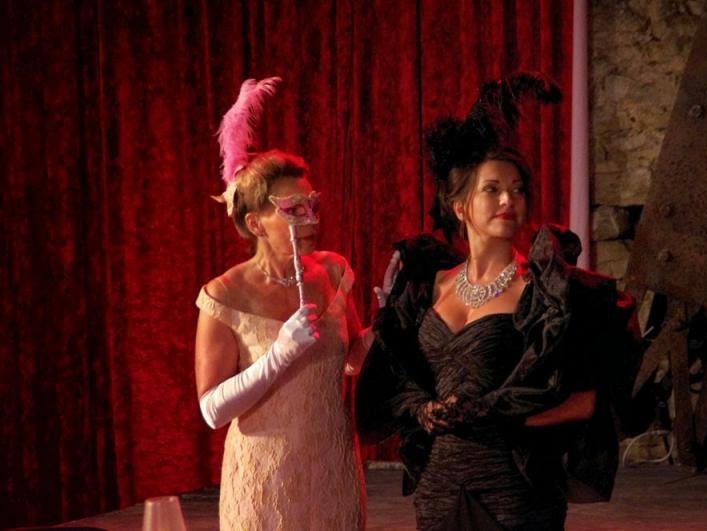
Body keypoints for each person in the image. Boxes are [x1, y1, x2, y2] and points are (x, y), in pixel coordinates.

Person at [356, 73, 638, 531]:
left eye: (518, 189)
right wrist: (423, 410)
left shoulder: (547, 293)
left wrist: (493, 415)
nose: (509, 199)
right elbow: (397, 381)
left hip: (516, 490)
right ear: (459, 205)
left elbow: (585, 402)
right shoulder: (427, 287)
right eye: (492, 189)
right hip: (439, 489)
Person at [194, 78, 372, 530]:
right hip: (265, 482)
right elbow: (212, 410)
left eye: (312, 205)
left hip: (332, 474)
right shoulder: (224, 294)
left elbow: (351, 360)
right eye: (294, 210)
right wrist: (277, 356)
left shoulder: (332, 271)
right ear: (256, 223)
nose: (311, 218)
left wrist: (387, 325)